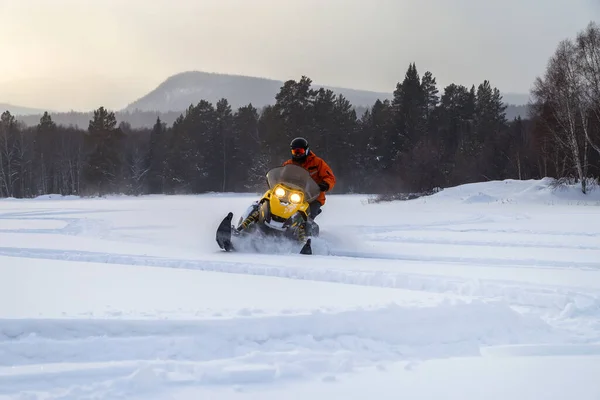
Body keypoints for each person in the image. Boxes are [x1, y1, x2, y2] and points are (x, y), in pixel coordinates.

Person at [283, 137, 336, 220]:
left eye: (300, 151)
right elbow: (281, 175)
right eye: (295, 152)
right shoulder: (288, 164)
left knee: (307, 216)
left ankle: (306, 227)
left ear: (306, 150)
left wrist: (325, 184)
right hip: (292, 194)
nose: (297, 154)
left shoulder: (318, 162)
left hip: (313, 196)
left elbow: (330, 177)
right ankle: (259, 212)